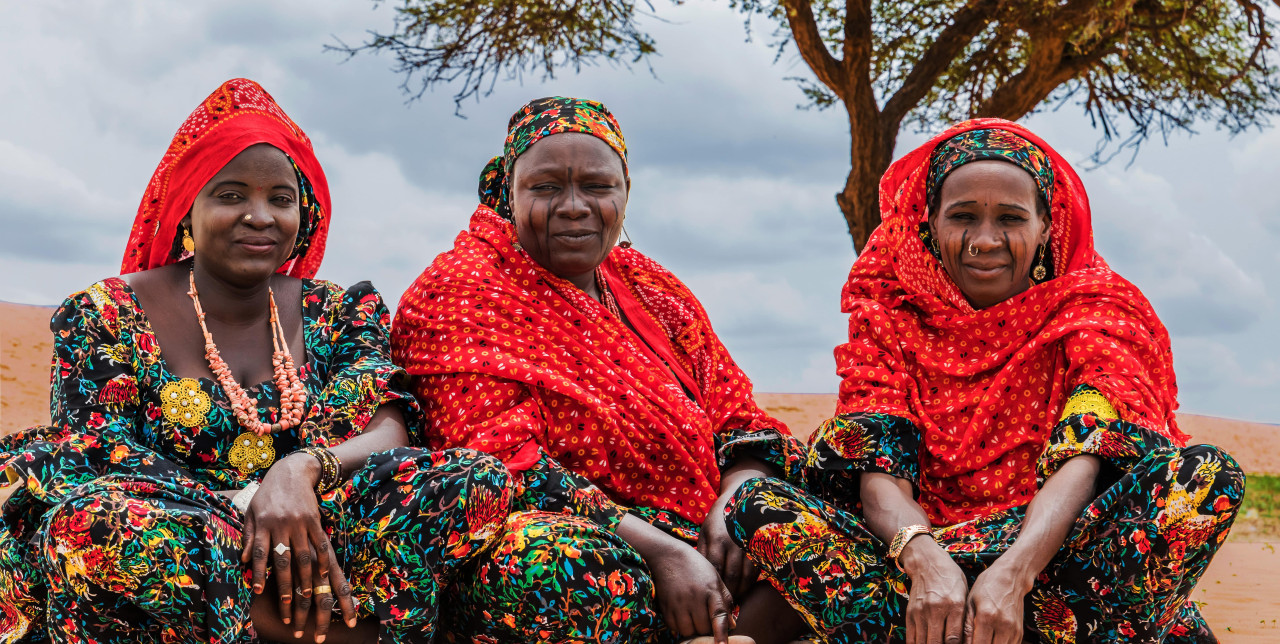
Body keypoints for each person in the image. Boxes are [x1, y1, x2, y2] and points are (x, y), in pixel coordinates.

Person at [0, 78, 511, 644]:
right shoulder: (106, 314)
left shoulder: (339, 310)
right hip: (174, 531)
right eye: (231, 194)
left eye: (281, 199)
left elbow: (388, 424)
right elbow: (96, 455)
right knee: (93, 527)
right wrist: (246, 506)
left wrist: (297, 473)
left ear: (303, 215)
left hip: (313, 521)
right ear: (186, 210)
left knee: (473, 480)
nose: (260, 215)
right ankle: (336, 634)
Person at [726, 119, 1244, 644]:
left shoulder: (1095, 315)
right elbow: (879, 474)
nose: (985, 240)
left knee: (1207, 478)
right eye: (963, 216)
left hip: (1053, 562)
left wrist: (1012, 575)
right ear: (930, 221)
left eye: (1011, 218)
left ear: (1046, 225)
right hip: (918, 569)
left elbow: (1084, 460)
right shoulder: (890, 311)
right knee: (759, 505)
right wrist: (929, 563)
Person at [391, 96, 804, 643]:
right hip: (575, 539)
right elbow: (502, 468)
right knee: (548, 565)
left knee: (816, 523)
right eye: (544, 187)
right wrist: (664, 552)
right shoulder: (461, 290)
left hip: (704, 533)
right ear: (507, 195)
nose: (573, 206)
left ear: (625, 194)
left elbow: (740, 420)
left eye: (597, 186)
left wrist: (735, 500)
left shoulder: (652, 289)